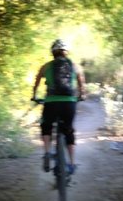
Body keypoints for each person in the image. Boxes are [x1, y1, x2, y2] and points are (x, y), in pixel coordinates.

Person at [32, 39, 86, 173]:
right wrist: (81, 95)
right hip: (69, 102)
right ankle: (72, 163)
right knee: (69, 131)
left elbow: (37, 82)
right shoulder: (74, 66)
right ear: (66, 53)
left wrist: (34, 95)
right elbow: (81, 84)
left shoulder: (46, 66)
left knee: (46, 125)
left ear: (53, 53)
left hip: (51, 102)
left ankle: (46, 152)